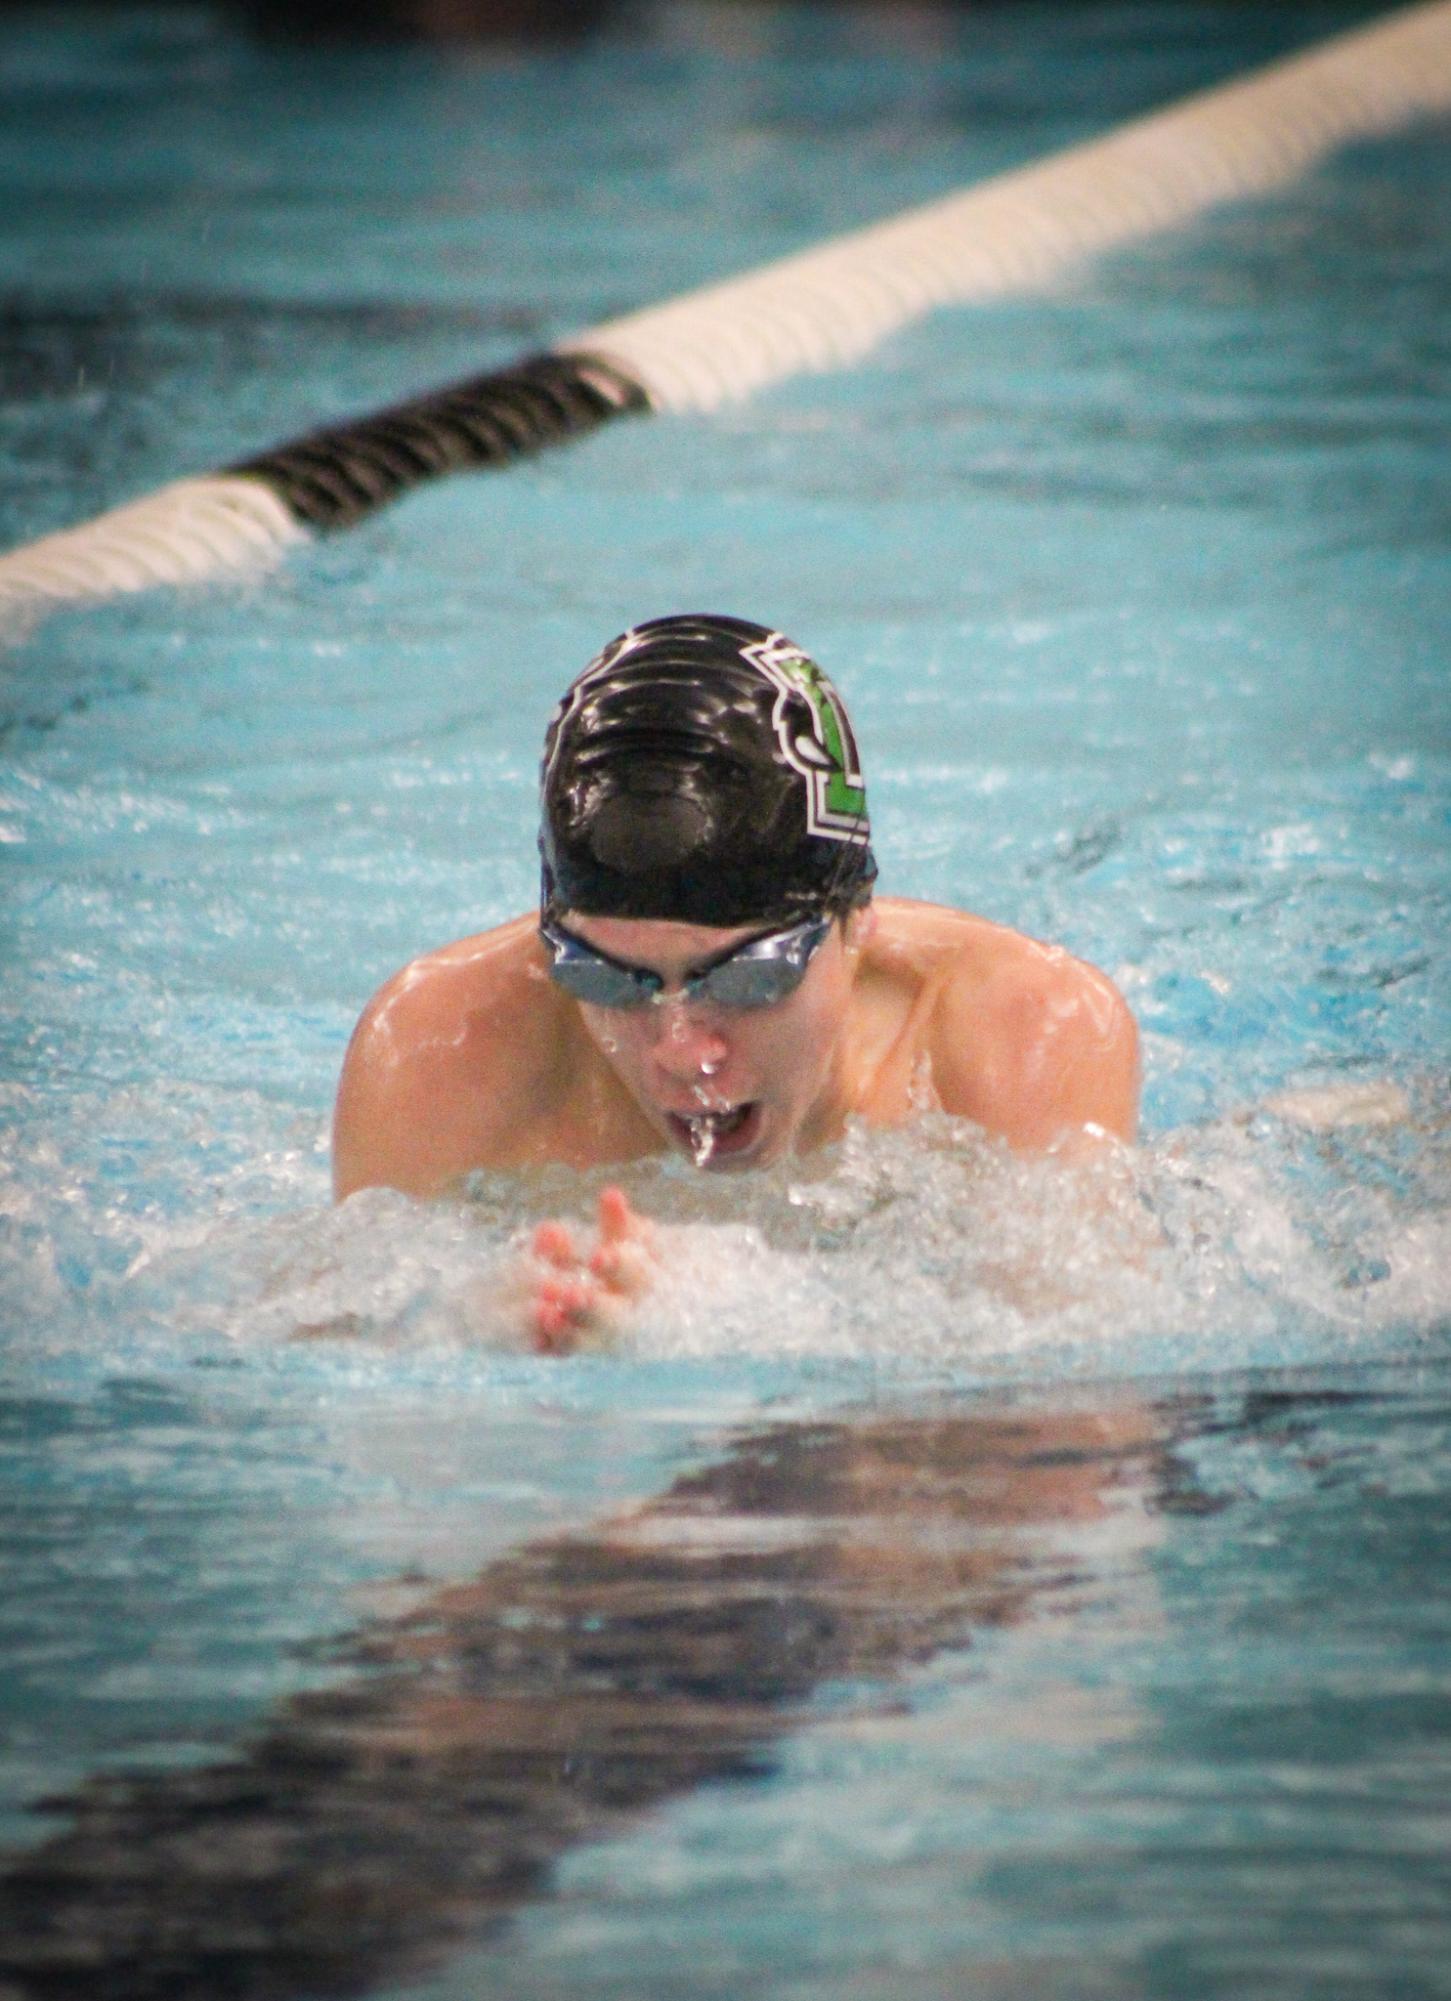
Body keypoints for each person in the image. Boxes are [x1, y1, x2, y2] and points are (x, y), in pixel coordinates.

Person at [332, 613, 1140, 1346]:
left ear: (857, 918)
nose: (681, 1052)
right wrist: (455, 1328)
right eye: (610, 981)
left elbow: (1055, 1444)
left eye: (748, 978)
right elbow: (333, 1368)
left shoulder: (1019, 1033)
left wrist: (734, 1318)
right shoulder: (435, 1047)